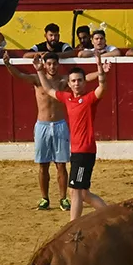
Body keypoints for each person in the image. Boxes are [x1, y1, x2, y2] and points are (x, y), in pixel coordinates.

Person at [6, 49, 73, 211]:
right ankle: (45, 198)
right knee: (43, 165)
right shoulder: (37, 79)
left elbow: (85, 78)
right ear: (44, 65)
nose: (52, 67)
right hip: (42, 125)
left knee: (61, 164)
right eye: (49, 64)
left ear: (58, 65)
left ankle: (63, 198)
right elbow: (19, 76)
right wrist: (7, 64)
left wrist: (101, 72)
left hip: (59, 125)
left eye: (54, 64)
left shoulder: (63, 81)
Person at [56, 62, 111, 222]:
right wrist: (39, 71)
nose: (76, 83)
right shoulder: (67, 98)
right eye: (73, 81)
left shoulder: (89, 99)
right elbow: (48, 90)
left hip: (84, 151)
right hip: (78, 151)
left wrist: (101, 71)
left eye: (79, 80)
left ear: (84, 82)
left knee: (76, 191)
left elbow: (102, 88)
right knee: (84, 193)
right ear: (69, 84)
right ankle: (110, 215)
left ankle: (73, 226)